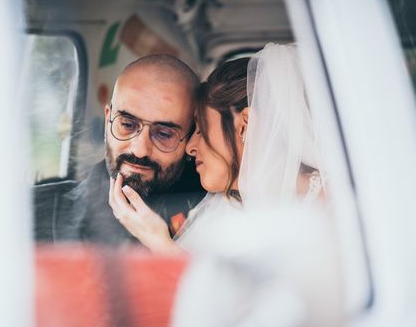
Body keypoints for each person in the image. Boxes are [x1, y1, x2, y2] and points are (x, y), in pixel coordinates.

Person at [109, 43, 325, 253]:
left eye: (201, 129)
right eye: (127, 125)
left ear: (245, 125)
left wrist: (160, 243)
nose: (190, 148)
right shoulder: (221, 206)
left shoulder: (331, 207)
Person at [54, 54, 205, 246]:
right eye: (127, 124)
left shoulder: (216, 213)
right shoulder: (39, 213)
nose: (140, 150)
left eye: (164, 134)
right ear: (108, 119)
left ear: (192, 137)